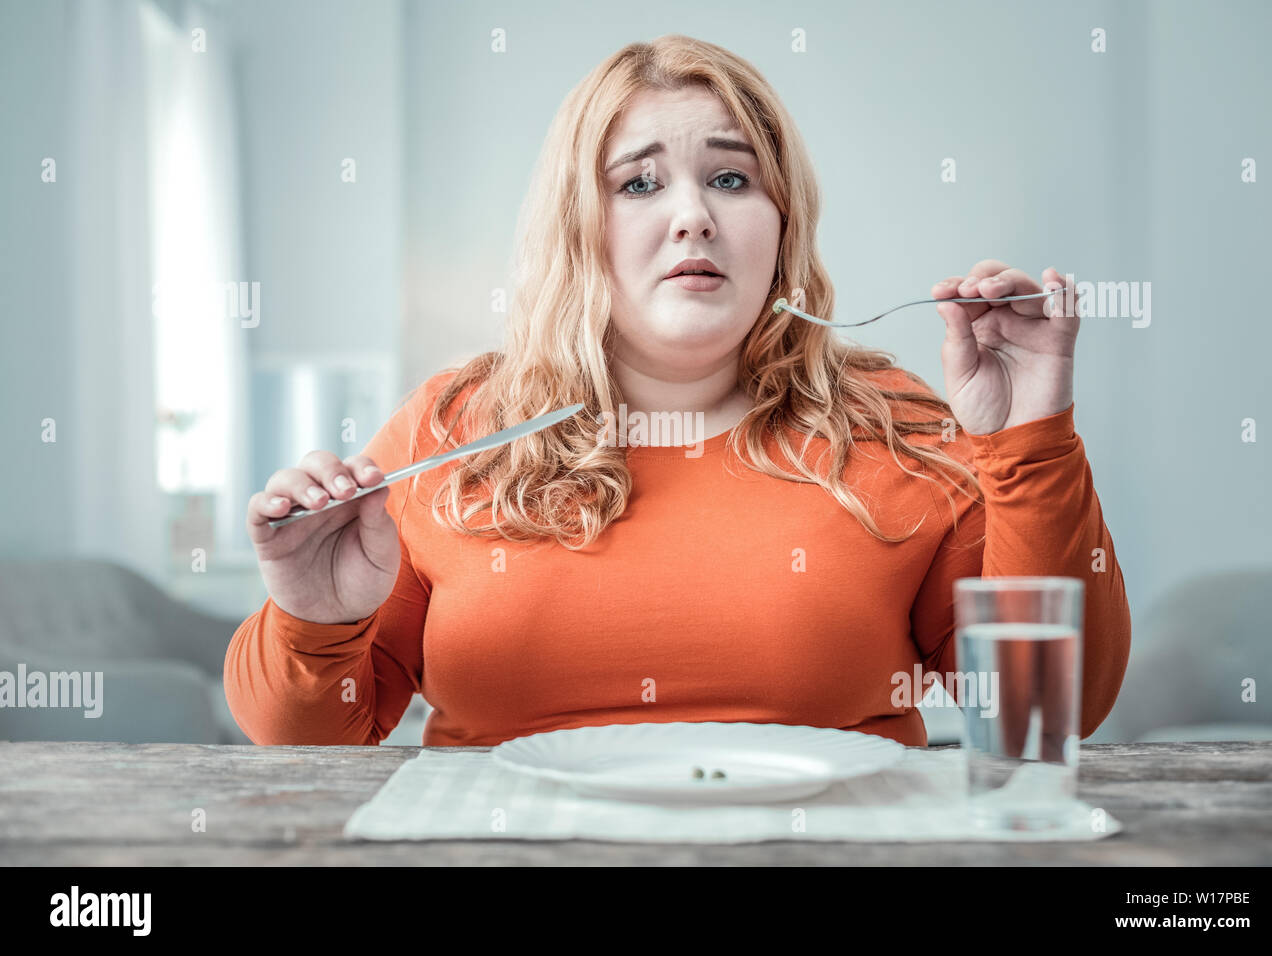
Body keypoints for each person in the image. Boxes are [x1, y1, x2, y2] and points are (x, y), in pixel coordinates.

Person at [225, 34, 1130, 748]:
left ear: (783, 227)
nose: (692, 213)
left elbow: (1052, 715)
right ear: (580, 226)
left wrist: (1031, 438)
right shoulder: (454, 426)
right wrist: (313, 619)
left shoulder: (894, 425)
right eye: (640, 183)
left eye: (731, 178)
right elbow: (308, 740)